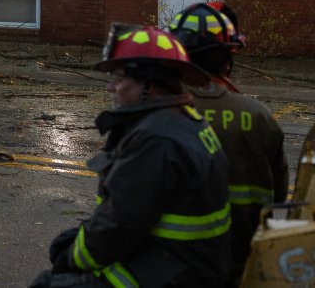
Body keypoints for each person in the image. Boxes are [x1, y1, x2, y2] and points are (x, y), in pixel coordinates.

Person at [31, 25, 231, 288]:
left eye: (120, 77)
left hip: (175, 272)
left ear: (150, 84)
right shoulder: (184, 120)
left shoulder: (155, 138)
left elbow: (118, 227)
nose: (110, 88)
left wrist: (71, 259)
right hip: (186, 262)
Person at [168, 2, 287, 286]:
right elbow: (278, 199)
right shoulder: (259, 118)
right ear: (227, 57)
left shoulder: (156, 111)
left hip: (169, 272)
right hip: (242, 271)